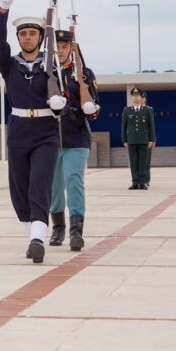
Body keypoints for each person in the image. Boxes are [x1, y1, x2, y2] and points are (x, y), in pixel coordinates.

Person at [0, 0, 65, 264]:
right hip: (19, 130)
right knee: (19, 191)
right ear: (19, 38)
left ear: (41, 37)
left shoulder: (52, 66)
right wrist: (2, 12)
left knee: (39, 185)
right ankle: (33, 234)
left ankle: (37, 239)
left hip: (45, 133)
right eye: (24, 34)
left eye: (33, 33)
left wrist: (59, 103)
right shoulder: (9, 65)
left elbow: (63, 103)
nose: (28, 38)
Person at [48, 30, 100, 252]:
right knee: (54, 187)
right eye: (56, 46)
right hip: (50, 136)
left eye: (64, 46)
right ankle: (58, 227)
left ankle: (76, 230)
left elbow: (95, 107)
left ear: (71, 48)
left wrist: (91, 108)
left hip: (76, 136)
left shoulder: (84, 73)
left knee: (73, 180)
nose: (60, 50)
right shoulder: (46, 73)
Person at [121, 87, 156, 190]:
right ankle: (135, 182)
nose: (136, 98)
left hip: (144, 140)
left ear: (141, 98)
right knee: (133, 162)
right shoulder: (127, 110)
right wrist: (124, 140)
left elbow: (151, 126)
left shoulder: (147, 110)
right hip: (131, 140)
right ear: (132, 97)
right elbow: (124, 126)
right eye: (134, 96)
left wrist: (151, 139)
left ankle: (143, 182)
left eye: (137, 96)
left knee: (143, 162)